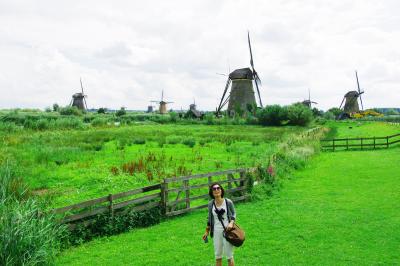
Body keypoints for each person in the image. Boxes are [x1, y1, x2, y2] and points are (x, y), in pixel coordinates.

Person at [202, 183, 236, 266]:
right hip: (216, 232)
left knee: (229, 256)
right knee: (218, 256)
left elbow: (234, 213)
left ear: (221, 190)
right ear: (212, 192)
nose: (216, 190)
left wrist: (231, 223)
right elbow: (209, 218)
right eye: (214, 189)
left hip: (228, 232)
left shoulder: (228, 202)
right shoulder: (210, 204)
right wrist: (207, 231)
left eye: (218, 188)